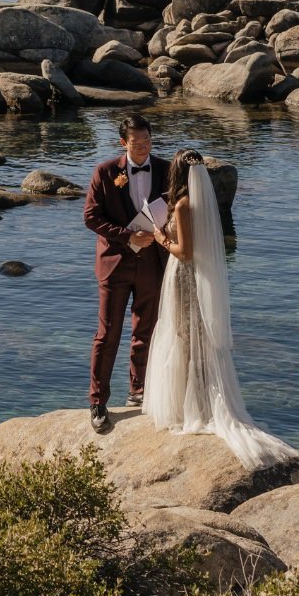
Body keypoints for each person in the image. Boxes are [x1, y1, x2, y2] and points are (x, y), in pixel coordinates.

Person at [140, 151, 299, 468]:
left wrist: (160, 237)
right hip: (190, 279)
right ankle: (195, 401)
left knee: (184, 338)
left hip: (183, 278)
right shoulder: (202, 203)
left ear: (177, 174)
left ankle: (193, 407)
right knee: (191, 338)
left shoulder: (185, 206)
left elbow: (184, 253)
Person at [81, 113, 172, 433]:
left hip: (152, 263)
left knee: (146, 330)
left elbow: (176, 206)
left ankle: (139, 391)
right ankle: (98, 401)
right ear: (123, 143)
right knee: (108, 335)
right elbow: (91, 218)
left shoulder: (165, 169)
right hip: (115, 264)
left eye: (148, 141)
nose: (144, 147)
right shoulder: (105, 172)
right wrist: (126, 235)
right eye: (137, 143)